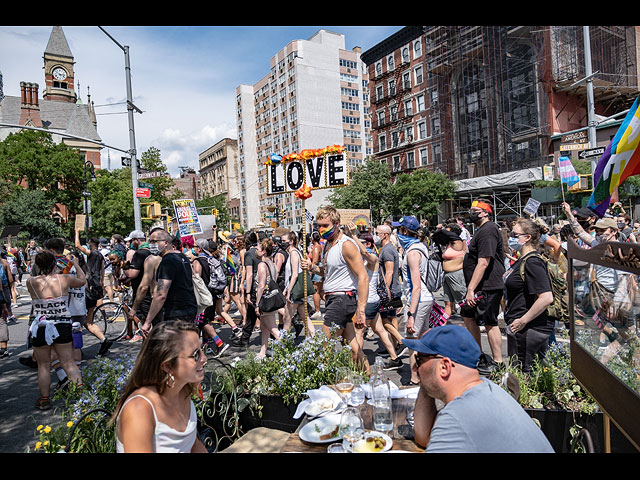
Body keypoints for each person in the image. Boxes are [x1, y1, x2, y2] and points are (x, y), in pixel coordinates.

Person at [405, 324, 553, 453]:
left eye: (419, 360)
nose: (414, 367)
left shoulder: (459, 415)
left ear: (444, 367)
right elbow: (425, 437)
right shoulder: (487, 390)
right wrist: (425, 382)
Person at [112, 320, 208, 453]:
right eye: (196, 355)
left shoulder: (183, 392)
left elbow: (193, 445)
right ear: (168, 366)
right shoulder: (139, 409)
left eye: (202, 350)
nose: (204, 358)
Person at [301, 206, 369, 370]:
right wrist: (312, 267)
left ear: (337, 224)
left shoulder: (346, 245)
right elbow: (327, 271)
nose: (321, 229)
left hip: (342, 299)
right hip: (334, 299)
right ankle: (369, 381)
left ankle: (326, 386)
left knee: (324, 347)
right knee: (354, 348)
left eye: (325, 225)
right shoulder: (328, 245)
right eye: (319, 225)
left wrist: (361, 310)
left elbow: (363, 276)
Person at [27, 251, 86, 410]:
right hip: (61, 323)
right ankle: (80, 397)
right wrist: (75, 264)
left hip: (41, 325)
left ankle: (44, 399)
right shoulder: (64, 279)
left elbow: (43, 275)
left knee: (43, 365)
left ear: (38, 265)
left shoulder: (30, 281)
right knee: (68, 362)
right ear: (54, 263)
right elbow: (82, 281)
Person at [503, 219, 555, 373]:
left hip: (527, 329)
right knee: (519, 374)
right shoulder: (523, 260)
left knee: (525, 376)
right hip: (519, 326)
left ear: (528, 237)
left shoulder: (532, 262)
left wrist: (522, 321)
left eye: (514, 234)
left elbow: (546, 297)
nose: (511, 238)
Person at [461, 199, 505, 374]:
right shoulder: (481, 231)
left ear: (485, 213)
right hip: (478, 286)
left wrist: (471, 289)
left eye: (475, 210)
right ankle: (477, 354)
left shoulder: (488, 230)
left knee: (489, 322)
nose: (471, 213)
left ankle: (498, 361)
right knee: (468, 316)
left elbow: (483, 263)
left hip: (487, 285)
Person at [348, 227, 401, 371]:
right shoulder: (361, 260)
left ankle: (358, 365)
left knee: (359, 332)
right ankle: (395, 358)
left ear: (369, 244)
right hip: (372, 301)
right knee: (381, 330)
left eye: (362, 242)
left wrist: (353, 236)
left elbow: (365, 253)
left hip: (368, 302)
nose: (359, 244)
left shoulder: (372, 259)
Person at [394, 216, 434, 385]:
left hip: (418, 300)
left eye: (399, 229)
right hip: (425, 299)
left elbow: (415, 286)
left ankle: (415, 378)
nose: (397, 233)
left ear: (405, 231)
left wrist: (410, 314)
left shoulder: (412, 253)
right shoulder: (420, 247)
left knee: (412, 341)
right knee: (421, 339)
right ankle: (424, 375)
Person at [142, 231, 198, 336]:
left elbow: (161, 295)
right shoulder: (181, 257)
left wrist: (148, 321)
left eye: (154, 241)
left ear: (166, 243)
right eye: (150, 241)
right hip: (188, 309)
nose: (151, 245)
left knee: (176, 349)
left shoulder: (168, 261)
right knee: (187, 348)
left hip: (175, 314)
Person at [74, 232, 113, 356]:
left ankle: (77, 349)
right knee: (87, 321)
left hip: (89, 287)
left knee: (78, 319)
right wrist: (101, 282)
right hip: (96, 287)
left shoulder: (93, 253)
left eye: (89, 243)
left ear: (91, 244)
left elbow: (77, 246)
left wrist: (77, 232)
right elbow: (102, 270)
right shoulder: (101, 255)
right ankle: (103, 340)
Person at [375, 224, 406, 358]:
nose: (375, 235)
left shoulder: (387, 250)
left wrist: (384, 291)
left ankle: (401, 341)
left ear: (385, 235)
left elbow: (389, 272)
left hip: (391, 291)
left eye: (377, 233)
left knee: (383, 319)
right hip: (393, 290)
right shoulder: (386, 249)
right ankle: (395, 346)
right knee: (391, 317)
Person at [282, 230, 315, 337]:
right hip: (297, 289)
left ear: (291, 241)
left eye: (284, 241)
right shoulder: (294, 253)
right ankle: (315, 339)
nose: (282, 243)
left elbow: (295, 274)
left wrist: (289, 291)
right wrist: (286, 288)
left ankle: (281, 344)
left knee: (286, 319)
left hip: (296, 290)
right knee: (305, 317)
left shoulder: (294, 253)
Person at [254, 238, 282, 359]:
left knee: (273, 330)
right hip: (271, 298)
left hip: (265, 299)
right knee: (264, 328)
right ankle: (262, 352)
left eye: (258, 249)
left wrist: (257, 303)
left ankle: (289, 352)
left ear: (264, 252)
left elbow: (261, 284)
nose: (256, 250)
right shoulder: (272, 264)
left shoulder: (262, 265)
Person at [232, 231, 260, 348]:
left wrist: (247, 292)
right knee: (251, 314)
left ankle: (278, 337)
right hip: (260, 284)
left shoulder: (249, 254)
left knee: (261, 315)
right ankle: (244, 339)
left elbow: (249, 274)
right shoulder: (259, 252)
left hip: (253, 287)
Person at [309, 231, 324, 320]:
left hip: (317, 270)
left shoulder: (316, 248)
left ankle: (318, 311)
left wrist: (310, 273)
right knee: (320, 291)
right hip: (320, 268)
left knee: (316, 291)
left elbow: (314, 262)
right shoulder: (320, 246)